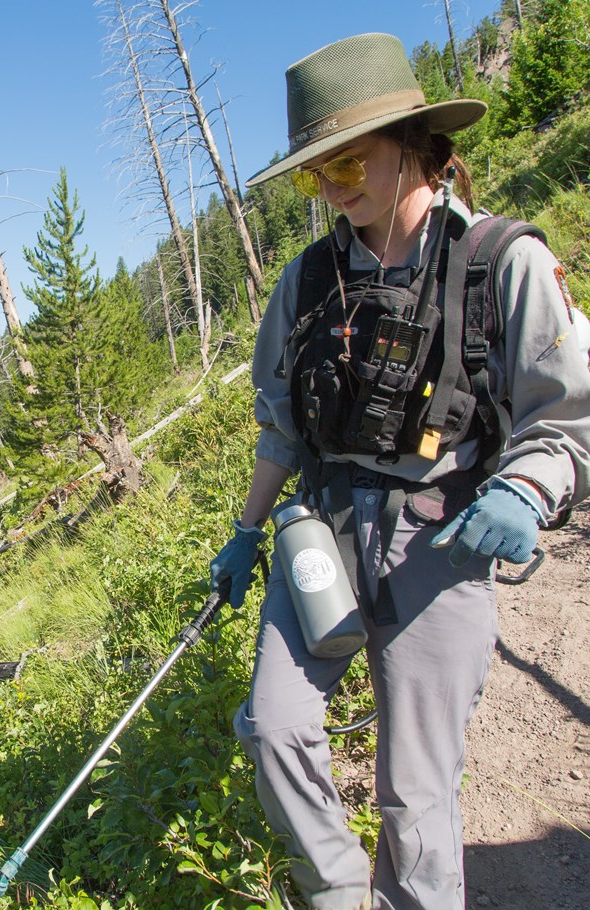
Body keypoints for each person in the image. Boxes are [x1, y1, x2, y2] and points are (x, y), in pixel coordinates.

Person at [210, 32, 590, 910]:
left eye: (347, 158)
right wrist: (244, 531)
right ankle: (343, 894)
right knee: (273, 727)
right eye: (316, 171)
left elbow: (566, 410)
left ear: (415, 143)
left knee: (417, 799)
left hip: (442, 539)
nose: (333, 185)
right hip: (323, 536)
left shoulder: (502, 261)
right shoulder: (305, 283)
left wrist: (528, 488)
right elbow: (282, 430)